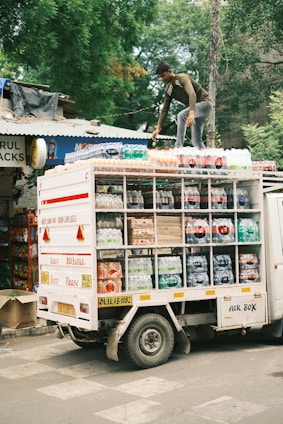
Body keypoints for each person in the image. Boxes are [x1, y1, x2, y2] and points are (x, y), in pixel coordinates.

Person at [152, 61, 212, 149]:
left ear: (170, 71)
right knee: (196, 141)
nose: (162, 79)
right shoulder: (169, 89)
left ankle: (178, 147)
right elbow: (165, 109)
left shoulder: (182, 78)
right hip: (195, 109)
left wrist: (191, 114)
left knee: (181, 115)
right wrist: (158, 127)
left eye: (163, 75)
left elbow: (192, 94)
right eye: (160, 77)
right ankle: (206, 161)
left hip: (205, 103)